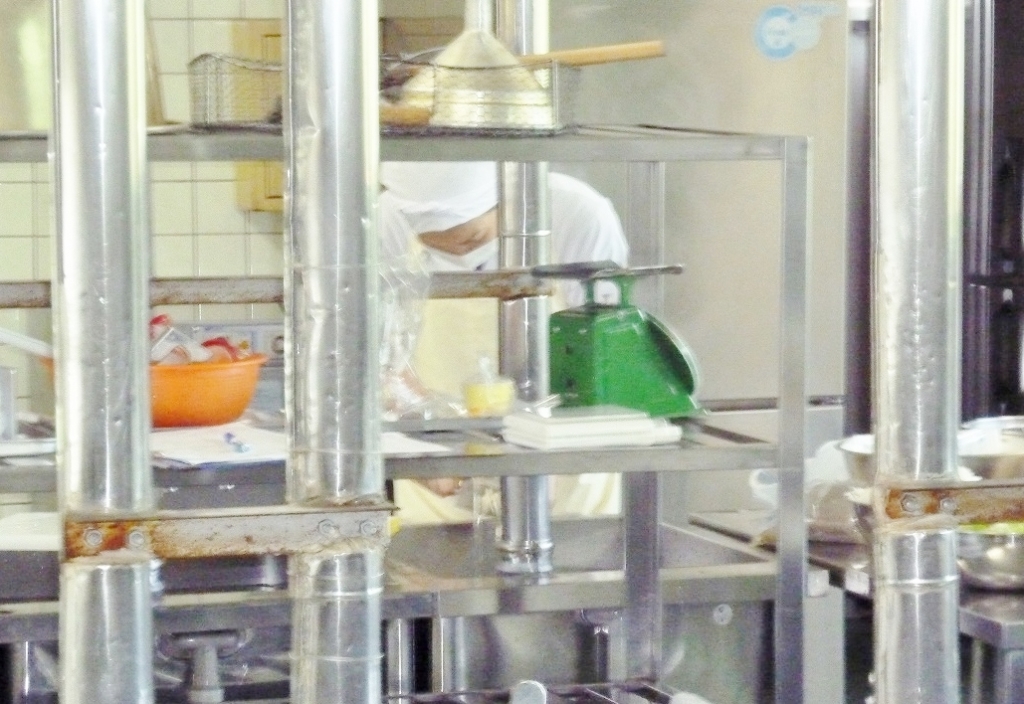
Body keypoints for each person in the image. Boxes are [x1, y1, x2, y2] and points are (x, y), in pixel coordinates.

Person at [378, 161, 628, 525]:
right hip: (445, 480)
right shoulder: (384, 222)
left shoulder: (575, 212)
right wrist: (418, 439)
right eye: (433, 241)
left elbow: (607, 350)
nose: (457, 252)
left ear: (502, 198)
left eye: (472, 239)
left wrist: (553, 445)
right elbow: (374, 356)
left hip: (569, 469)